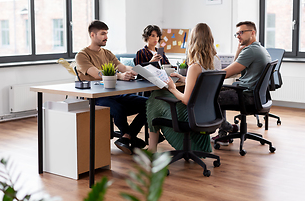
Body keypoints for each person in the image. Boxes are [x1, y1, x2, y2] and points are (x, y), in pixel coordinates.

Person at [75, 20, 148, 155]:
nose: (106, 37)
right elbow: (96, 74)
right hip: (96, 98)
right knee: (118, 109)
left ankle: (127, 137)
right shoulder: (82, 55)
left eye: (107, 33)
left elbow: (122, 67)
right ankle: (129, 137)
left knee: (149, 104)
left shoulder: (107, 53)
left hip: (115, 94)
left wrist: (137, 71)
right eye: (103, 34)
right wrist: (120, 76)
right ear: (92, 35)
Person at [146, 23, 221, 153]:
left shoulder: (195, 66)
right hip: (207, 113)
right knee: (158, 97)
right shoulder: (216, 60)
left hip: (192, 115)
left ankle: (152, 148)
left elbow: (186, 100)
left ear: (193, 41)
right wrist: (184, 79)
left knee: (155, 98)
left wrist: (172, 87)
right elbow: (203, 84)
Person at [211, 21, 271, 146]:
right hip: (256, 96)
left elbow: (225, 73)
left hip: (247, 96)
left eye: (241, 32)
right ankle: (224, 133)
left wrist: (203, 76)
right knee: (219, 90)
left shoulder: (250, 51)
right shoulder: (259, 48)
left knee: (211, 96)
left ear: (252, 33)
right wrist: (238, 50)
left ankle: (226, 128)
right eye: (237, 33)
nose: (238, 36)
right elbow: (234, 69)